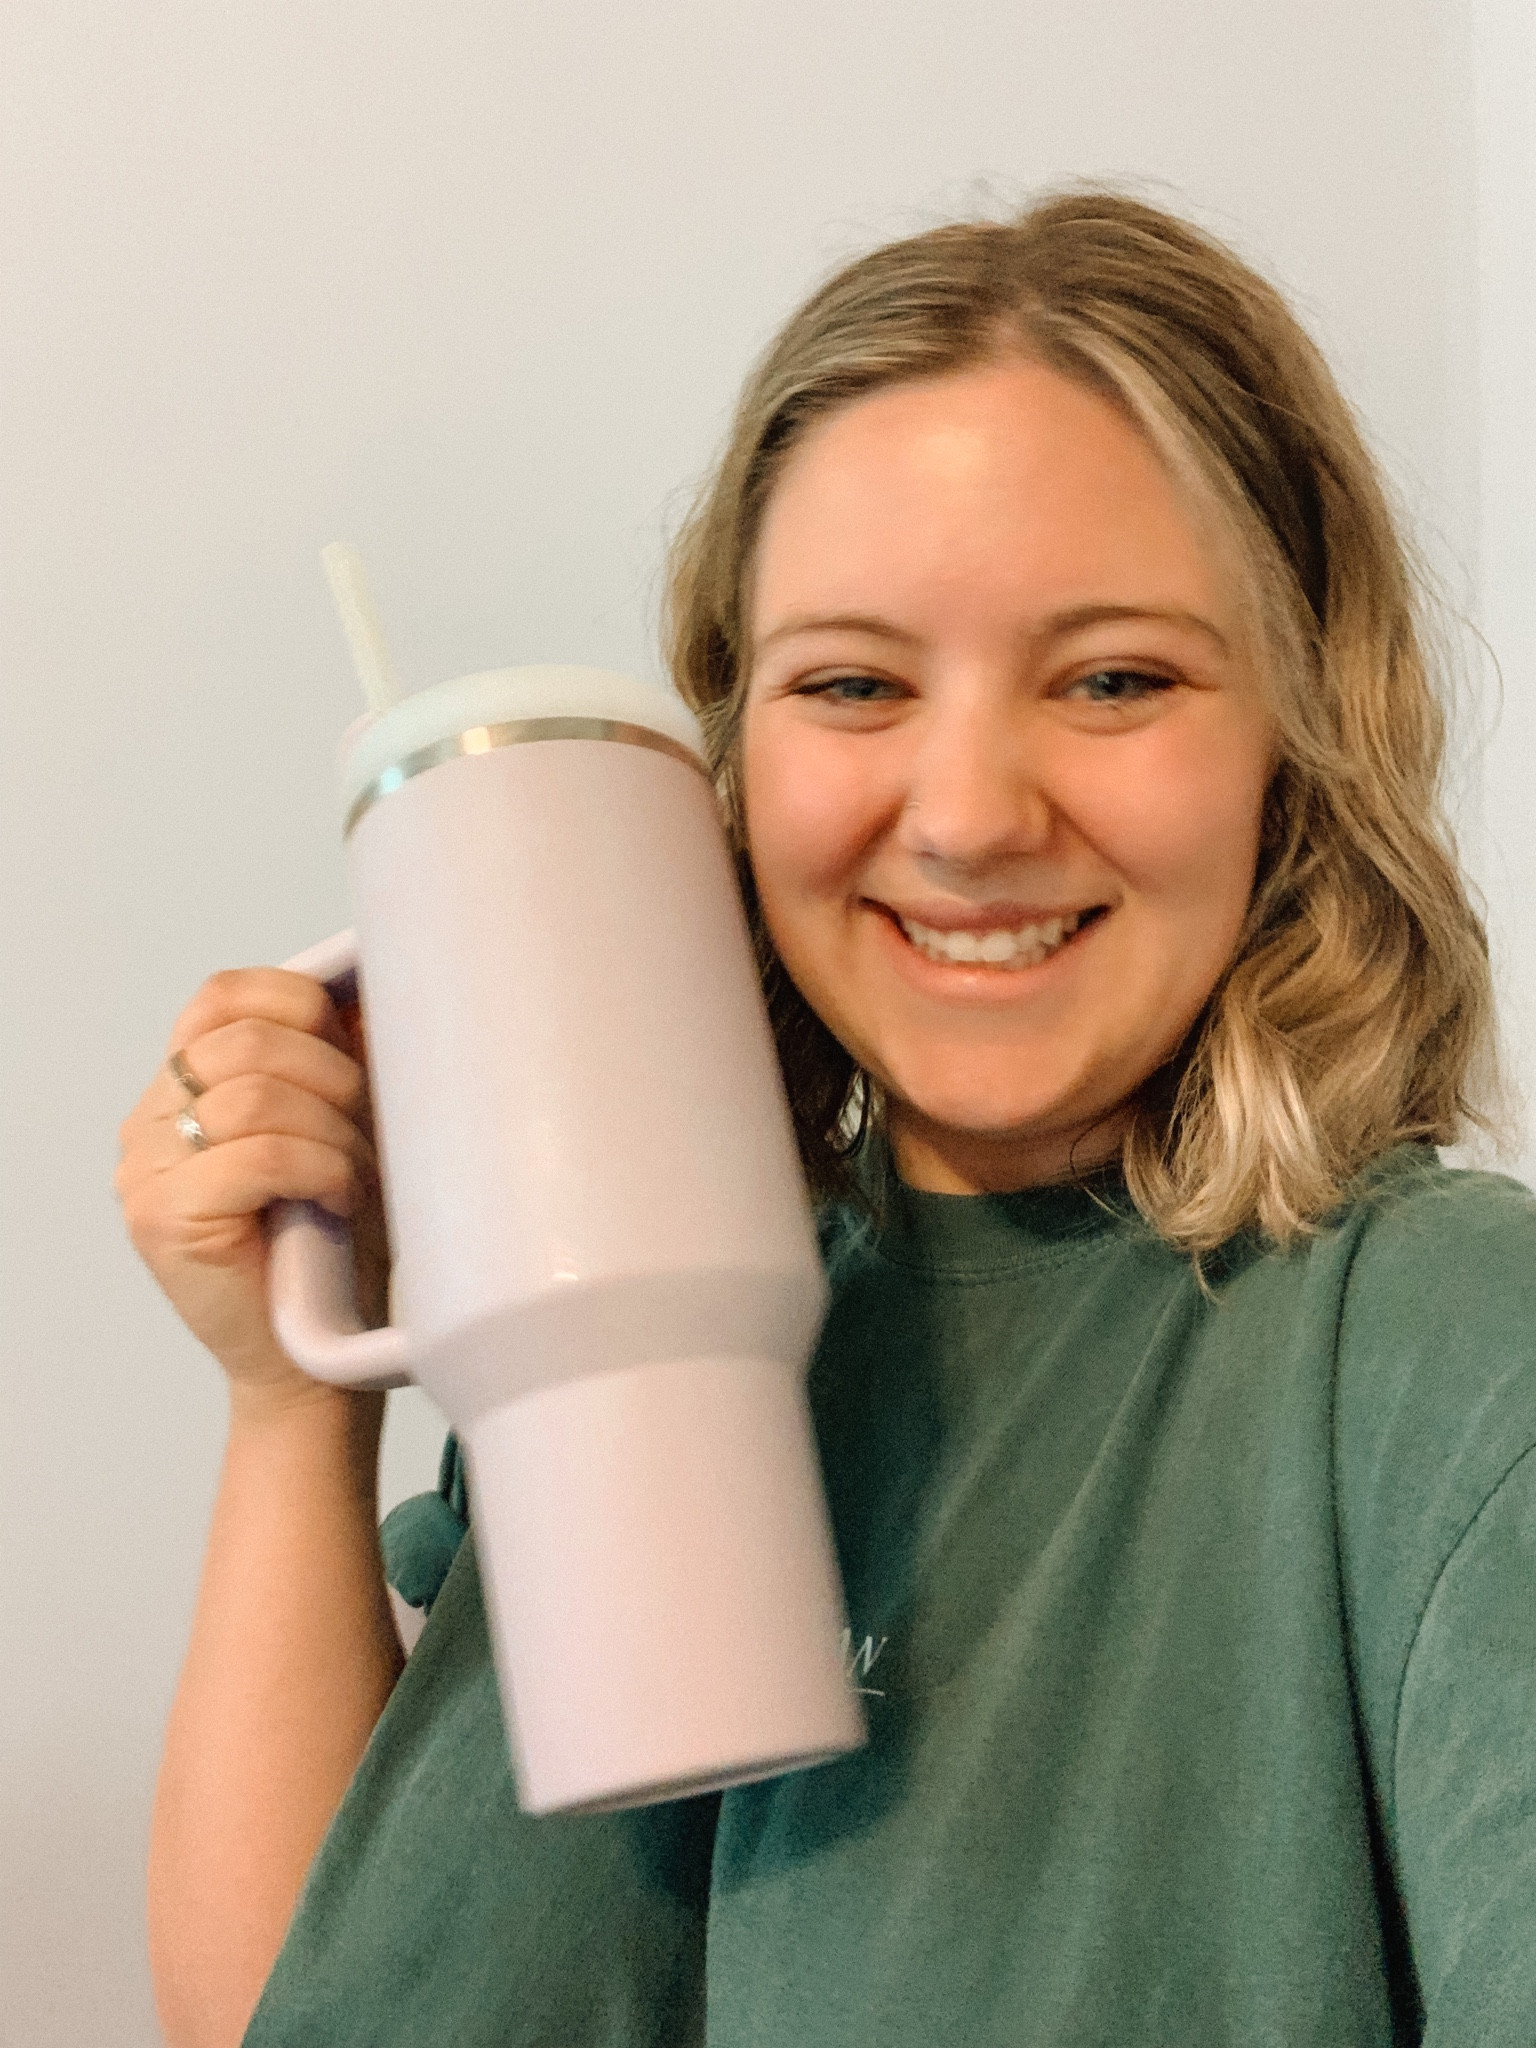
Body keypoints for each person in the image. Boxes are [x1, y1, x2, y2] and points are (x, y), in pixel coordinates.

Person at [117, 191, 1536, 2048]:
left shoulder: (1445, 1349)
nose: (962, 814)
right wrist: (293, 1394)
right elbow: (293, 2009)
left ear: (1304, 719)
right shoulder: (661, 1325)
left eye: (1114, 679)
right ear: (731, 749)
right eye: (853, 684)